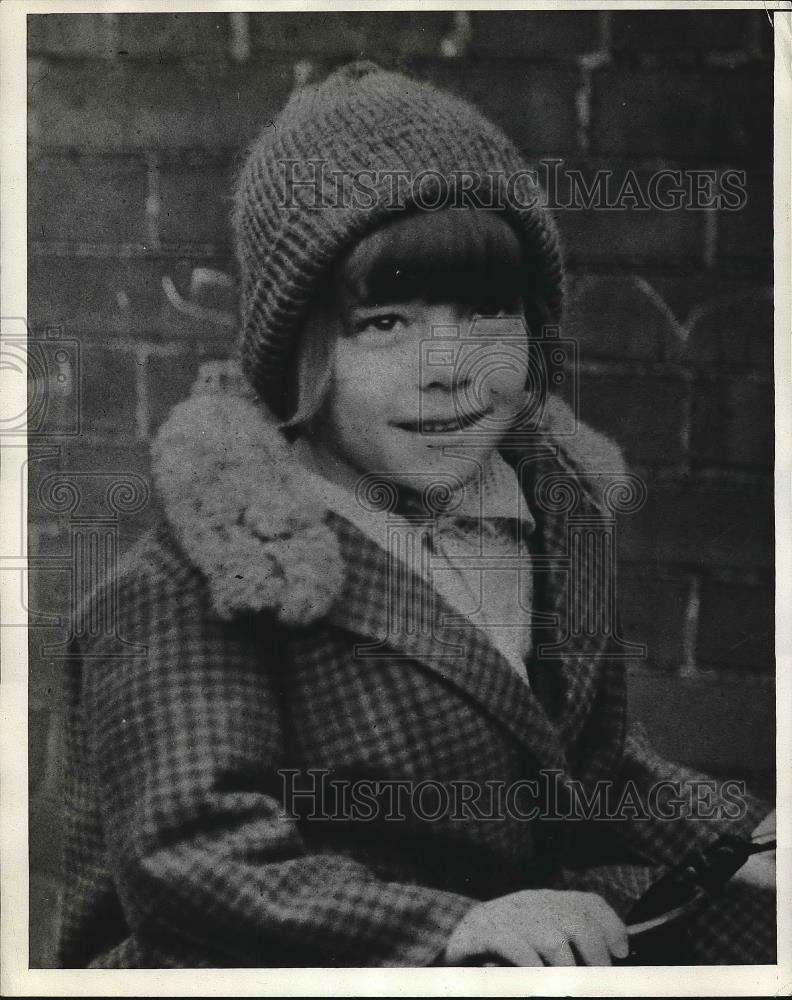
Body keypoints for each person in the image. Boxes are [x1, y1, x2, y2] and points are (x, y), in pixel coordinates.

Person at [56, 61, 775, 968]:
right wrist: (449, 928)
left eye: (487, 311)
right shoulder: (211, 570)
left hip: (510, 918)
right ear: (299, 352)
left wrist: (740, 840)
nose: (450, 368)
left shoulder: (541, 519)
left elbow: (581, 771)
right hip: (265, 954)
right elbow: (190, 858)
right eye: (385, 323)